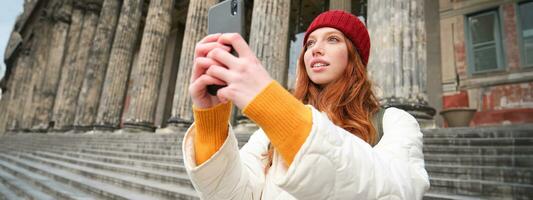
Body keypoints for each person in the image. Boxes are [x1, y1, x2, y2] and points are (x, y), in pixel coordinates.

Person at [183, 10, 430, 199]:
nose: (316, 49)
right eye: (310, 43)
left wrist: (277, 109)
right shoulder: (269, 131)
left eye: (332, 39)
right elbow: (235, 194)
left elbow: (398, 189)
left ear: (354, 56)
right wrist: (211, 125)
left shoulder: (394, 121)